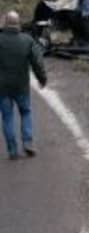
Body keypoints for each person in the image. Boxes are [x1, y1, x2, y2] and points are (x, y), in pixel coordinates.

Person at [0, 11, 47, 161]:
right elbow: (37, 62)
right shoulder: (27, 40)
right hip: (21, 86)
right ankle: (27, 142)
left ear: (5, 23)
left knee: (7, 117)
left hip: (2, 88)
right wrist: (42, 79)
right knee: (25, 112)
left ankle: (12, 150)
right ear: (18, 23)